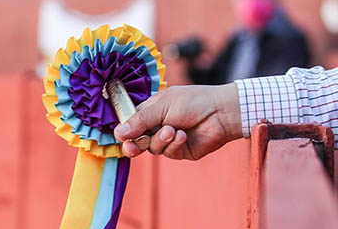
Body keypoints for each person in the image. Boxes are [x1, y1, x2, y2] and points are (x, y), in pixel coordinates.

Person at [113, 66, 338, 161]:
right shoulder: (239, 38)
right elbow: (214, 73)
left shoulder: (287, 36)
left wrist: (223, 107)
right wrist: (221, 109)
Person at [171, 0, 310, 85]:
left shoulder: (290, 39)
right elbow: (215, 82)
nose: (250, 0)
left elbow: (276, 83)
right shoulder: (238, 38)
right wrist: (193, 63)